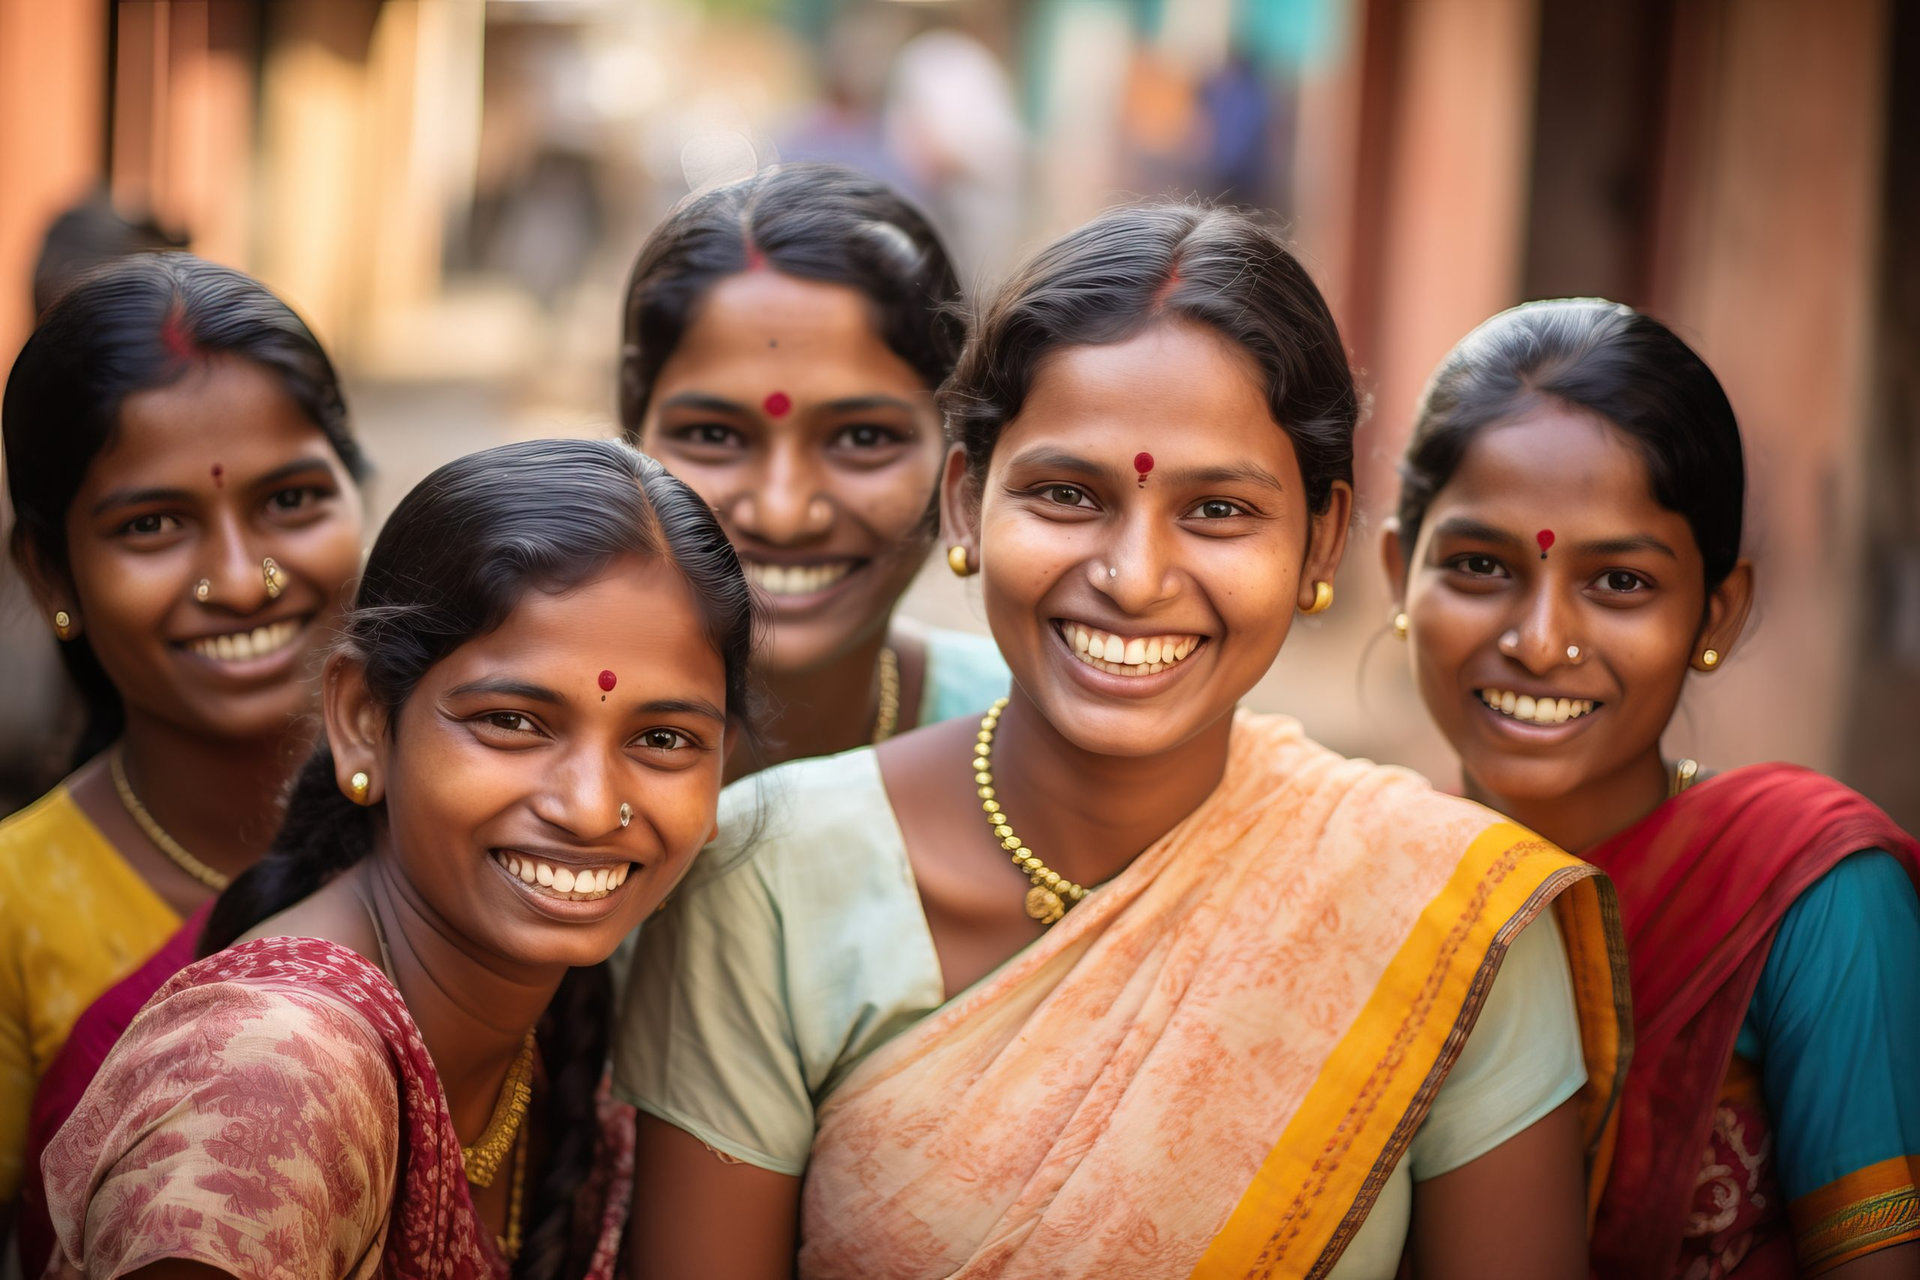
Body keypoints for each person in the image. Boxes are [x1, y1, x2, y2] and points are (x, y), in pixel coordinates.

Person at [618, 205, 1631, 1278]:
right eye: (1066, 494)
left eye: (1219, 510)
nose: (1134, 576)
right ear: (965, 501)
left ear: (1321, 539)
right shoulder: (761, 871)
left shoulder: (1441, 913)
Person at [40, 438, 757, 1278]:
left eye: (664, 739)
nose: (592, 806)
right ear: (363, 720)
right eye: (513, 721)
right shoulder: (272, 1079)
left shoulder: (577, 1018)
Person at [1381, 298, 1920, 1277]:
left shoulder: (1810, 892)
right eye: (1476, 565)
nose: (1540, 641)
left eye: (1620, 582)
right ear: (1395, 573)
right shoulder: (1367, 876)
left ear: (1717, 611)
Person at [0, 253, 368, 1247]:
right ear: (48, 570)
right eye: (154, 523)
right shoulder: (17, 911)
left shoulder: (460, 831)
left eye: (291, 499)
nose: (242, 580)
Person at [621, 162, 1006, 778]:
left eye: (861, 438)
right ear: (630, 443)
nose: (784, 513)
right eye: (715, 436)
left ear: (956, 467)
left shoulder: (1042, 741)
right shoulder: (505, 730)